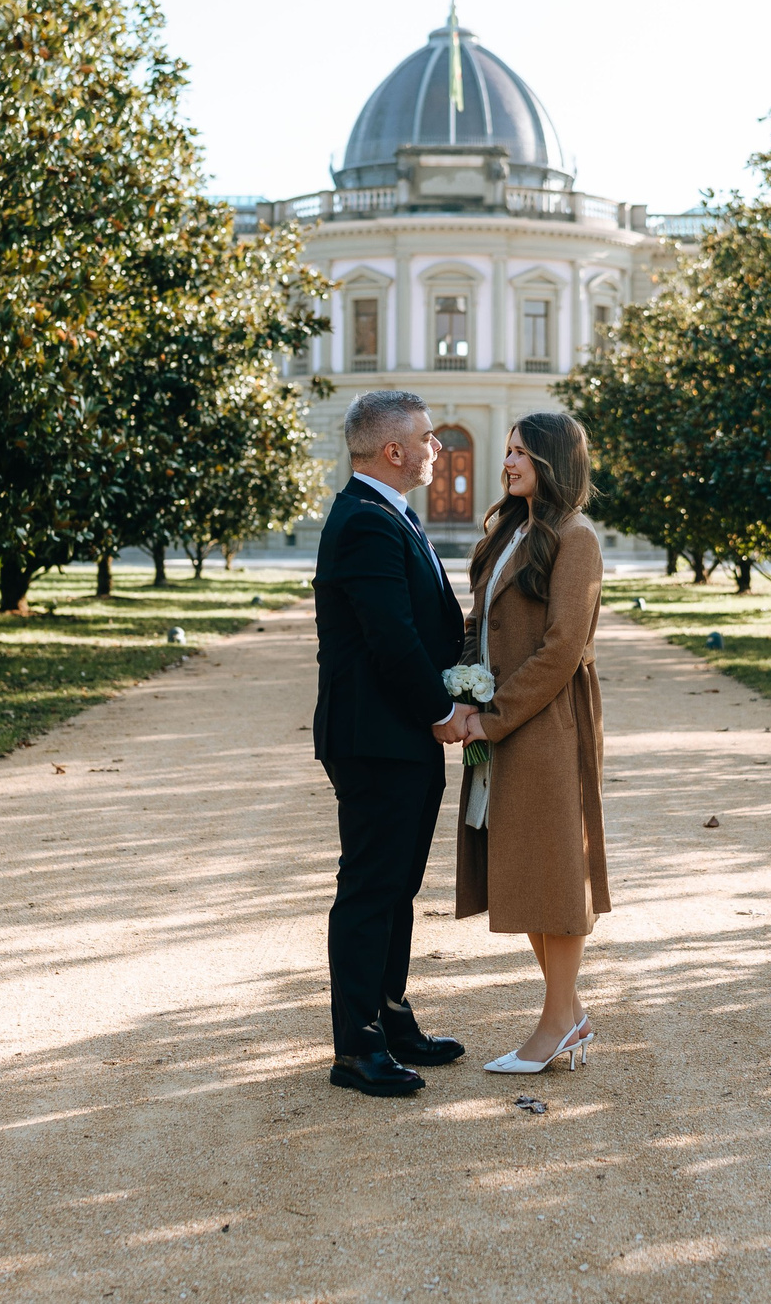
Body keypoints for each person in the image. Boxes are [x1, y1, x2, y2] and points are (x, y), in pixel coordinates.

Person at [311, 390, 478, 1097]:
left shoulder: (387, 513)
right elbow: (392, 638)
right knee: (371, 889)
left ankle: (390, 1014)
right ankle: (357, 1047)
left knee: (398, 887)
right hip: (376, 736)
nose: (436, 447)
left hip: (396, 734)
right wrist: (443, 708)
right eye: (428, 437)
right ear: (394, 451)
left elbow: (422, 621)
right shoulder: (365, 522)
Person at [454, 411, 610, 1073]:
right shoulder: (508, 533)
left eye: (522, 451)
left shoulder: (577, 538)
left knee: (554, 876)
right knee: (522, 871)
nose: (508, 460)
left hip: (548, 727)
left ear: (552, 461)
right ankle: (569, 1015)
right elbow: (480, 624)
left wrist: (493, 717)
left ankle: (555, 1024)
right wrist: (461, 699)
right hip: (500, 725)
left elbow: (561, 649)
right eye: (508, 449)